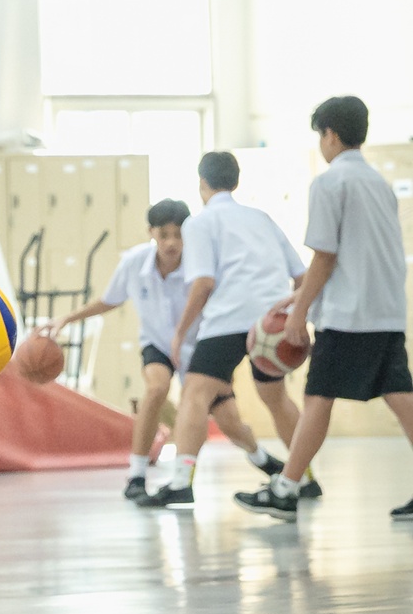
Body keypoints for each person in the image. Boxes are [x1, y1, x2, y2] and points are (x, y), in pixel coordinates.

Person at [236, 96, 413, 522]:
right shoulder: (379, 183)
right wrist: (301, 299)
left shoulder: (329, 183)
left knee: (318, 397)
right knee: (401, 397)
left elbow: (325, 256)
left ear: (329, 134)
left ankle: (285, 490)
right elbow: (357, 255)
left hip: (349, 316)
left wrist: (300, 313)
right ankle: (288, 486)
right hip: (385, 311)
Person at [49, 198, 284, 500]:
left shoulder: (200, 267)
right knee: (156, 388)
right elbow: (109, 300)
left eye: (178, 235)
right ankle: (137, 475)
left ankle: (260, 457)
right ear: (151, 232)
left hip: (198, 348)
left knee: (230, 422)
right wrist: (67, 319)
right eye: (164, 235)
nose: (172, 242)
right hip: (158, 344)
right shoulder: (134, 263)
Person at [139, 150, 322, 509]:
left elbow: (204, 284)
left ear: (202, 183)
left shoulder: (200, 223)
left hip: (228, 319)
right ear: (236, 181)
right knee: (276, 399)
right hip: (272, 322)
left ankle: (181, 484)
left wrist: (180, 332)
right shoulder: (262, 218)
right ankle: (304, 478)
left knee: (195, 395)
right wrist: (297, 316)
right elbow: (302, 276)